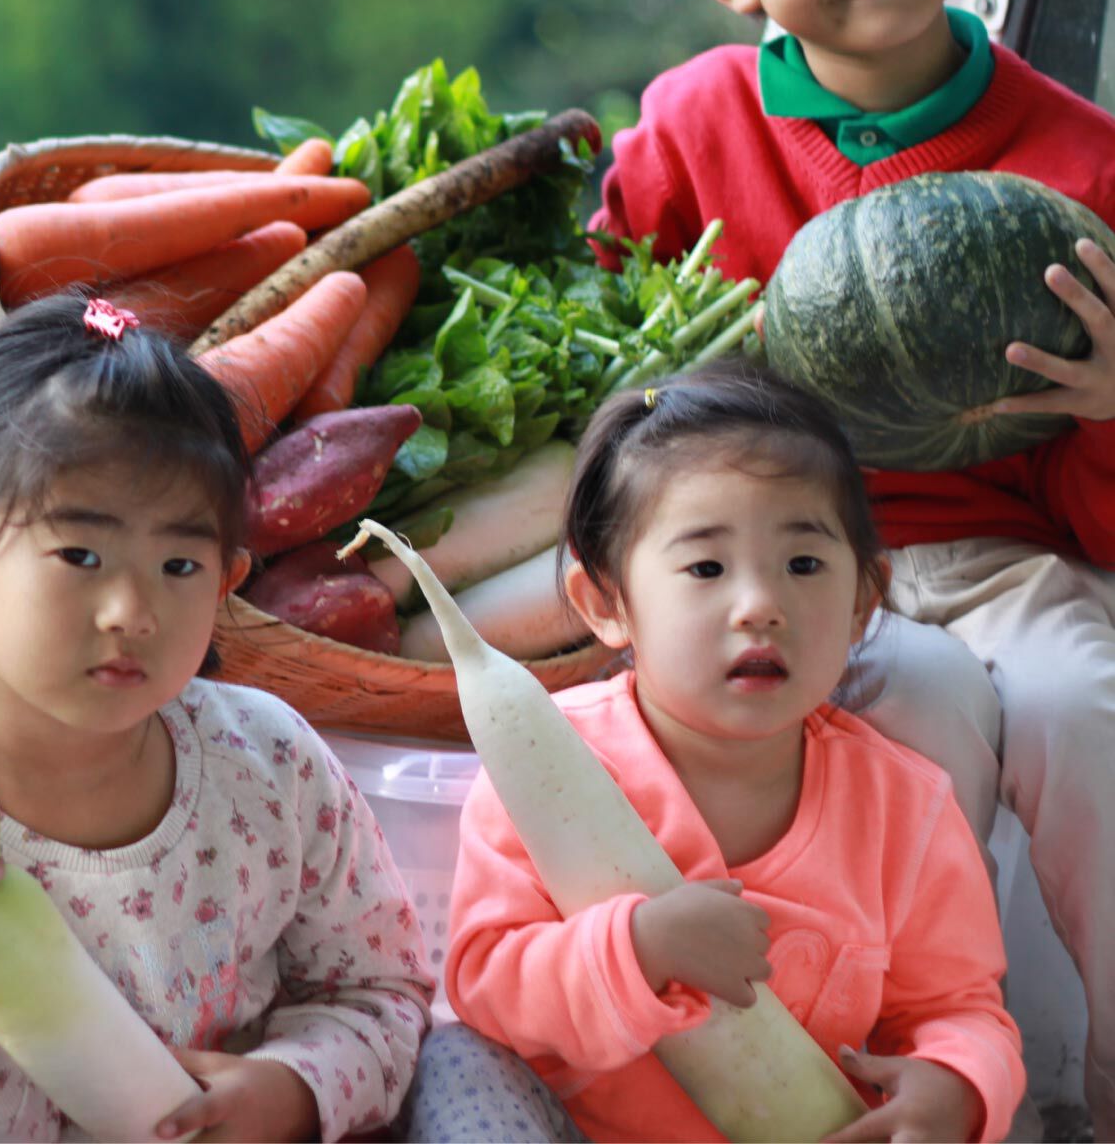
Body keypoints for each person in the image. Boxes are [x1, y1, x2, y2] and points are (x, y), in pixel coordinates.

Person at [585, 0, 1115, 1132]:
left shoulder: (1084, 166)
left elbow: (1101, 525)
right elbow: (606, 364)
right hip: (800, 566)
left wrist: (1111, 412)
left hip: (1008, 554)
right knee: (908, 722)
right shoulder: (697, 131)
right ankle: (886, 1082)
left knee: (1082, 714)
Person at [0, 291, 433, 1143]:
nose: (131, 609)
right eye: (80, 555)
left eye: (177, 563)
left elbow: (383, 996)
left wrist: (291, 1090)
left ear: (228, 580)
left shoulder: (270, 763)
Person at [404, 362, 1024, 1143]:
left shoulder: (906, 805)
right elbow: (488, 982)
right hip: (578, 1132)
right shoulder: (544, 760)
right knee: (453, 1058)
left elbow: (957, 1008)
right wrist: (637, 948)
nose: (760, 605)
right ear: (608, 605)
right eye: (705, 568)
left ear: (863, 599)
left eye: (803, 565)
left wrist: (957, 1087)